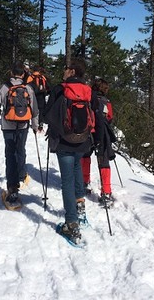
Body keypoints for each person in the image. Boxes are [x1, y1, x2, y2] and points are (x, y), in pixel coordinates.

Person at [43, 58, 101, 244]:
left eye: (66, 68)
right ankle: (80, 204)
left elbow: (47, 115)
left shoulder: (60, 89)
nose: (64, 70)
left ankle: (71, 223)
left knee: (67, 180)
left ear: (72, 71)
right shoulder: (88, 91)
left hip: (64, 141)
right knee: (77, 169)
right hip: (82, 141)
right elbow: (97, 110)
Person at [0, 61, 40, 205]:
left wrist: (0, 114)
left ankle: (12, 188)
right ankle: (21, 174)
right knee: (20, 149)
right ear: (23, 74)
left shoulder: (4, 88)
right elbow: (35, 111)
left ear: (11, 73)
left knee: (10, 154)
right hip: (23, 125)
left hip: (8, 126)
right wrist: (35, 126)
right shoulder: (28, 89)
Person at [81, 78, 117, 207]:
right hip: (102, 135)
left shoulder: (88, 99)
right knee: (104, 162)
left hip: (88, 131)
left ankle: (84, 182)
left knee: (85, 157)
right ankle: (106, 192)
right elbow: (110, 118)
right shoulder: (107, 103)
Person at [26, 65, 50, 131]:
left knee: (33, 109)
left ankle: (33, 122)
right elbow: (48, 86)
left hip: (33, 95)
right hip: (42, 95)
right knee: (41, 109)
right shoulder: (42, 77)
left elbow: (27, 86)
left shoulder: (30, 77)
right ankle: (41, 122)